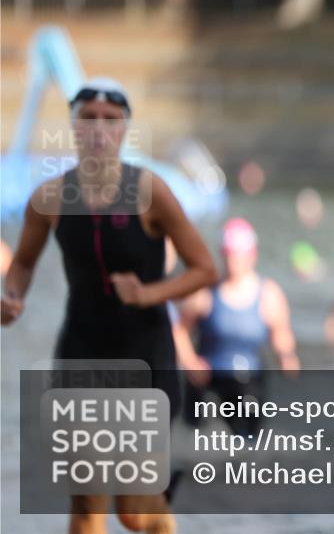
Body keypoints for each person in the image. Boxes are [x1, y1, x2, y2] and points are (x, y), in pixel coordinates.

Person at [1, 77, 219, 534]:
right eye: (88, 119)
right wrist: (12, 296)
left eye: (111, 120)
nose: (99, 129)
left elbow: (204, 269)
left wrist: (148, 293)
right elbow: (21, 265)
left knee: (134, 513)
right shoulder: (50, 198)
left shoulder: (151, 192)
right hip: (81, 353)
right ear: (74, 128)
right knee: (85, 505)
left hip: (146, 354)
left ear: (124, 130)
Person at [174, 217, 299, 437]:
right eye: (230, 255)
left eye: (240, 255)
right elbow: (178, 330)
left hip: (248, 380)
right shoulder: (205, 293)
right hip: (208, 377)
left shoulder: (269, 294)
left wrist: (286, 356)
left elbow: (281, 333)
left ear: (253, 255)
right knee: (199, 438)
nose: (234, 261)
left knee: (248, 439)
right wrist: (190, 361)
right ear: (222, 254)